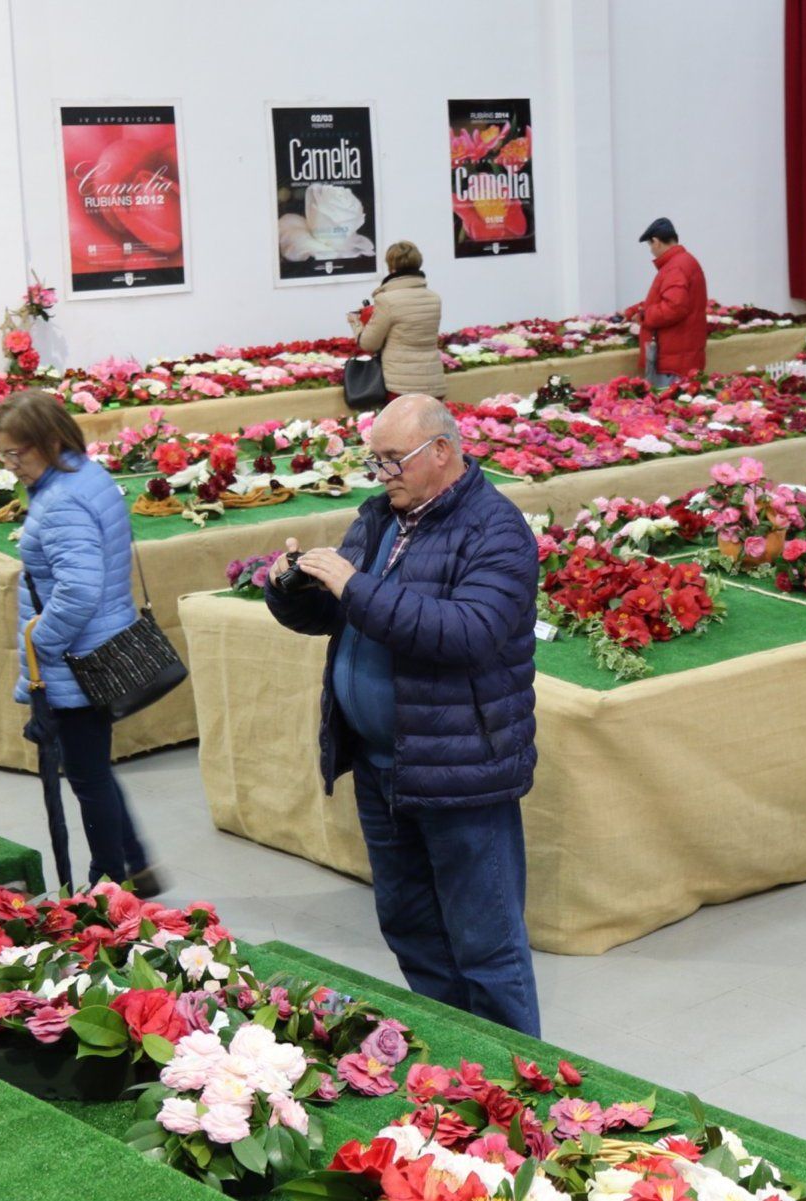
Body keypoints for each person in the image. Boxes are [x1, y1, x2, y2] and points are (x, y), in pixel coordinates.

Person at [265, 394, 541, 1034]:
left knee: (486, 945)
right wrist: (291, 584)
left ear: (442, 451)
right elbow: (337, 614)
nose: (382, 474)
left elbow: (465, 632)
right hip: (384, 769)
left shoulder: (496, 530)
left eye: (394, 461)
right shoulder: (381, 517)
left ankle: (521, 1086)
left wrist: (354, 585)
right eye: (376, 461)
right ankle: (453, 1060)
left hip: (460, 774)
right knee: (412, 928)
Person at [0, 390, 159, 895]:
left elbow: (79, 590)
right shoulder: (84, 473)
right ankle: (134, 865)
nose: (7, 465)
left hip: (75, 663)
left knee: (87, 777)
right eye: (0, 455)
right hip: (97, 651)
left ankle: (108, 885)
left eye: (15, 453)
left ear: (50, 439)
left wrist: (39, 641)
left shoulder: (61, 500)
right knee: (93, 769)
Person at [350, 241, 446, 400]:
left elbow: (369, 344)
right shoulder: (434, 298)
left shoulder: (386, 300)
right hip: (433, 382)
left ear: (391, 267)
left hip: (401, 386)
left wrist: (357, 323)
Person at [636, 217, 708, 387]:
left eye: (650, 246)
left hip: (672, 361)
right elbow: (670, 298)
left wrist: (645, 315)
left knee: (667, 407)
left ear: (656, 241)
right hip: (681, 355)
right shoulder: (684, 261)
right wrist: (636, 309)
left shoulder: (675, 267)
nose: (652, 251)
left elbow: (674, 307)